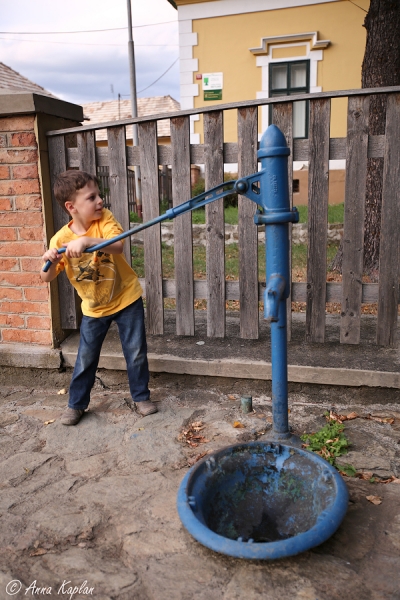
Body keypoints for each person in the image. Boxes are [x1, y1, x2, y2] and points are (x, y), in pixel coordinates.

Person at [40, 170, 157, 425]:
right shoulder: (60, 239)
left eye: (99, 194)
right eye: (92, 197)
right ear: (72, 207)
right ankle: (76, 404)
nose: (100, 200)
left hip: (127, 299)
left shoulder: (104, 219)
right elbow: (46, 278)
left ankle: (141, 397)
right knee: (86, 358)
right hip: (94, 309)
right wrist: (49, 261)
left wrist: (87, 241)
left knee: (136, 353)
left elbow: (118, 245)